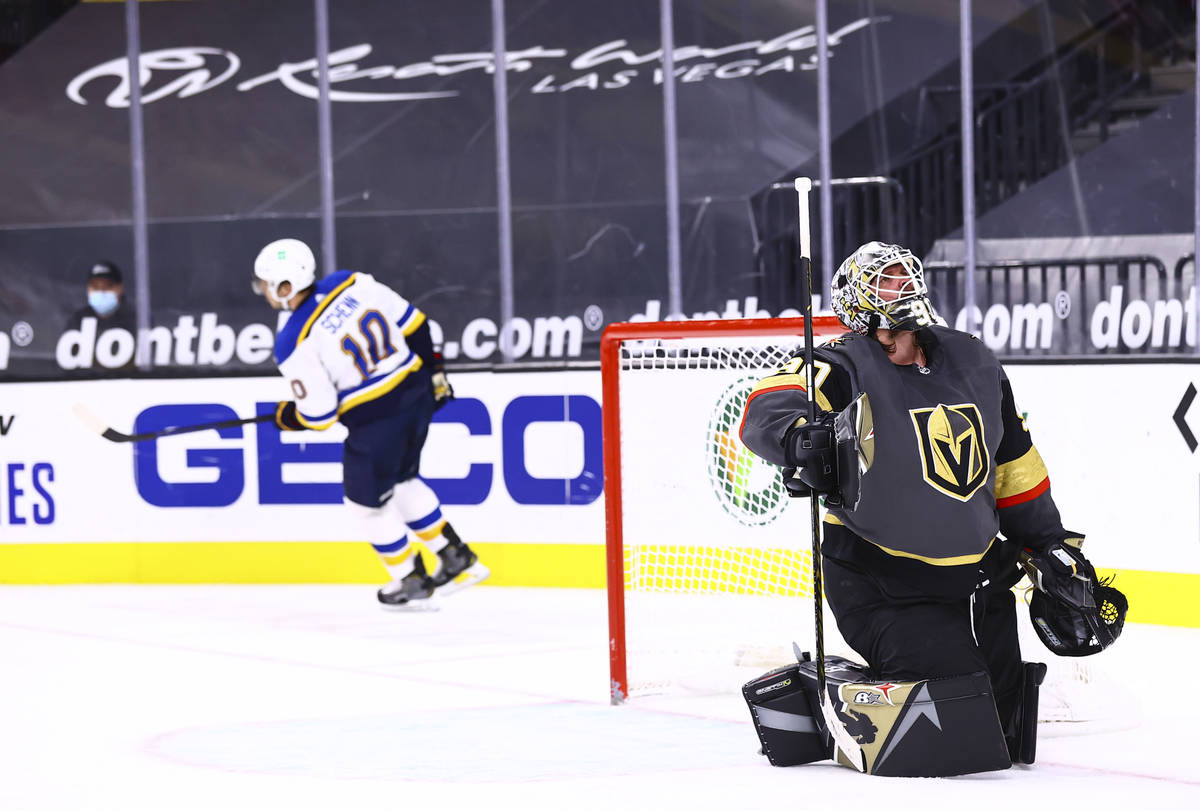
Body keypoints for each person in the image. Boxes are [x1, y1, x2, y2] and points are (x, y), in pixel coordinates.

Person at [739, 241, 1121, 767]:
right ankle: (836, 698)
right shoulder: (839, 365)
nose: (902, 285)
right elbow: (765, 407)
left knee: (1006, 740)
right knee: (960, 726)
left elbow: (1014, 467)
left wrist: (1050, 544)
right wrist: (799, 434)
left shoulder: (973, 359)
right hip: (883, 588)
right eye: (886, 279)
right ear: (858, 301)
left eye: (904, 274)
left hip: (977, 587)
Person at [252, 237, 488, 608]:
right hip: (416, 394)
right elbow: (417, 325)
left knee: (365, 506)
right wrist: (436, 374)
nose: (263, 290)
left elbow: (320, 415)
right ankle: (455, 556)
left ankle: (410, 579)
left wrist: (287, 417)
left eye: (266, 283)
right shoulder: (352, 282)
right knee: (403, 479)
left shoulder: (292, 342)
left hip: (377, 421)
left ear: (285, 288)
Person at [66, 260, 135, 332]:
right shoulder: (77, 321)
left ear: (120, 288)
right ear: (88, 289)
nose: (101, 292)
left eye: (108, 286)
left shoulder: (134, 320)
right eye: (95, 287)